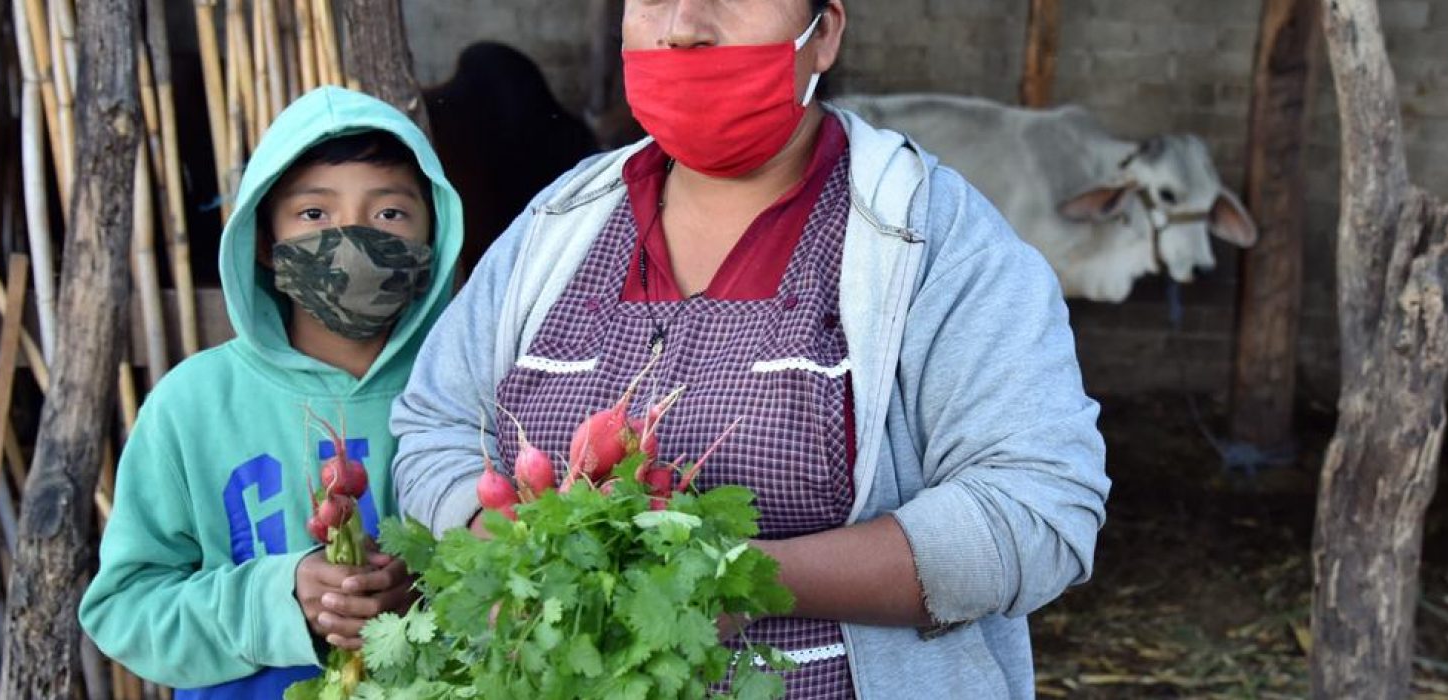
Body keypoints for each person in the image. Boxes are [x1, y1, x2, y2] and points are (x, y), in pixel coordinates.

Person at [391, 1, 1108, 697]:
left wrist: (748, 576)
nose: (683, 26)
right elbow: (436, 427)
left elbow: (1037, 509)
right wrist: (507, 548)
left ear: (823, 34)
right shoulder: (557, 227)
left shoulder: (928, 236)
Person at [80, 87, 465, 698]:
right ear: (264, 242)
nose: (352, 239)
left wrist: (426, 588)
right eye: (313, 215)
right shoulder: (193, 406)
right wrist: (279, 598)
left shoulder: (462, 398)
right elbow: (125, 610)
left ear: (434, 237)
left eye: (390, 214)